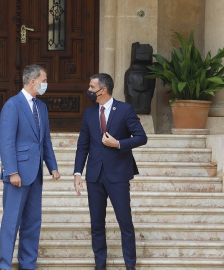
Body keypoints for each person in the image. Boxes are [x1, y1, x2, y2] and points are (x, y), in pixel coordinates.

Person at [73, 73, 147, 270]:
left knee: (125, 223)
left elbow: (141, 137)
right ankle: (100, 265)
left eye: (91, 87)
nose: (88, 90)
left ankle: (130, 265)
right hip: (95, 176)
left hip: (118, 175)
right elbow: (83, 145)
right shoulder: (89, 113)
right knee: (97, 224)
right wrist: (77, 173)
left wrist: (119, 143)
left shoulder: (125, 109)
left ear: (102, 90)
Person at [0, 64, 61, 270]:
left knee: (33, 223)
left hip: (36, 174)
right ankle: (5, 265)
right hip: (18, 174)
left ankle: (28, 265)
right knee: (11, 222)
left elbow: (45, 141)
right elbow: (6, 142)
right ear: (32, 81)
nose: (46, 84)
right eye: (44, 80)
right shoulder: (12, 104)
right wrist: (12, 171)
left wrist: (52, 166)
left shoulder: (41, 107)